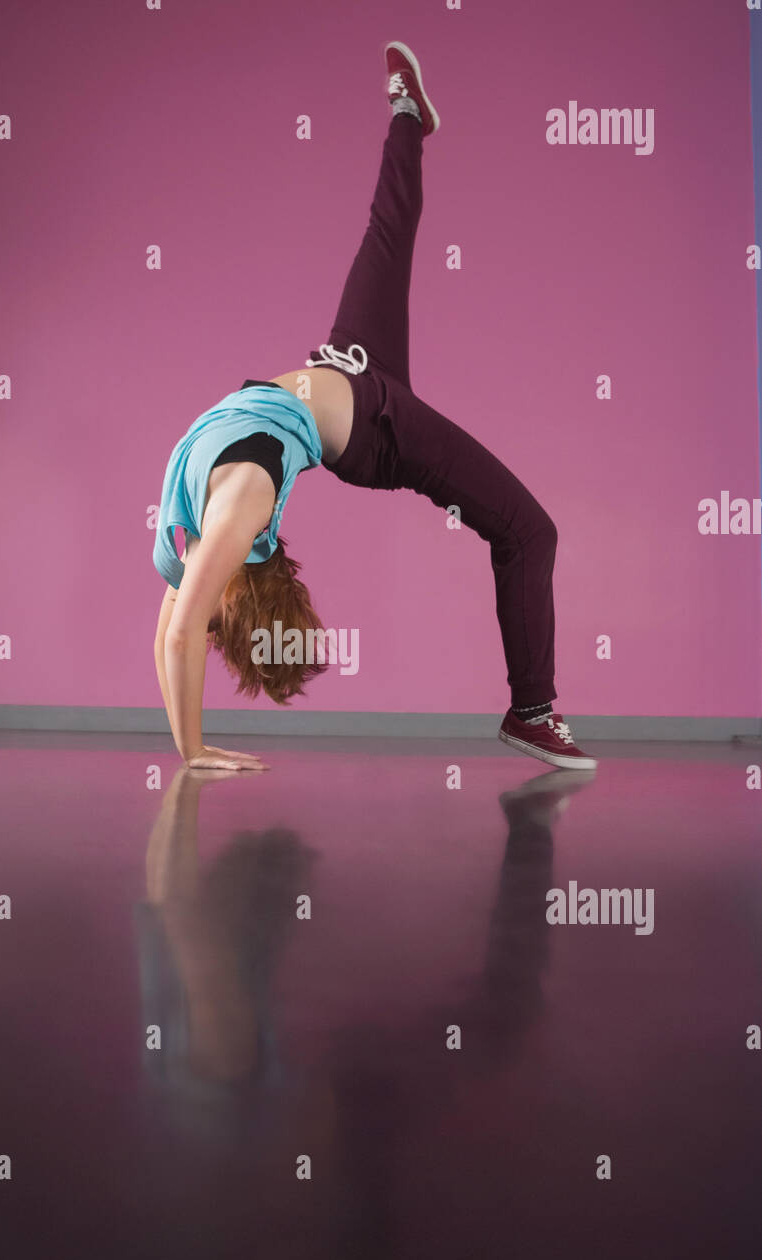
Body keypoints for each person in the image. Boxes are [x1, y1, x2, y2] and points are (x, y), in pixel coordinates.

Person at [153, 40, 597, 774]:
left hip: (348, 361)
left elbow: (170, 633)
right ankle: (531, 712)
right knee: (528, 529)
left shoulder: (187, 544)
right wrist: (193, 752)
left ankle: (405, 115)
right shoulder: (244, 504)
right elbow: (178, 633)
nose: (201, 609)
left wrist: (186, 747)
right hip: (377, 432)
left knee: (386, 229)